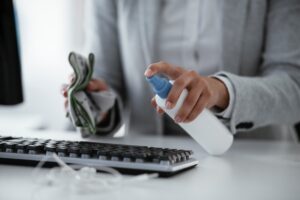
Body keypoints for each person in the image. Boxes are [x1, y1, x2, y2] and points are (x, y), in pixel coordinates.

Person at [62, 0, 300, 141]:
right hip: (150, 166)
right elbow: (107, 79)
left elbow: (294, 85)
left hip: (257, 163)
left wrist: (221, 91)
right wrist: (96, 104)